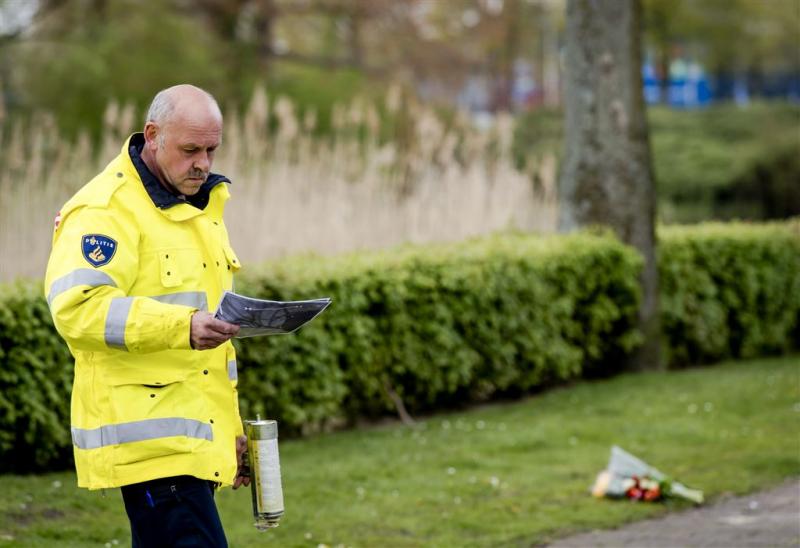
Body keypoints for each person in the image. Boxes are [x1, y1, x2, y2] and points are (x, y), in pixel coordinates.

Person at [44, 84, 249, 547]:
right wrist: (182, 326)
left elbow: (210, 351)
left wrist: (229, 434)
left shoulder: (199, 206)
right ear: (152, 135)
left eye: (212, 149)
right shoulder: (104, 210)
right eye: (190, 149)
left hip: (187, 443)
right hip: (150, 446)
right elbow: (78, 309)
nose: (203, 163)